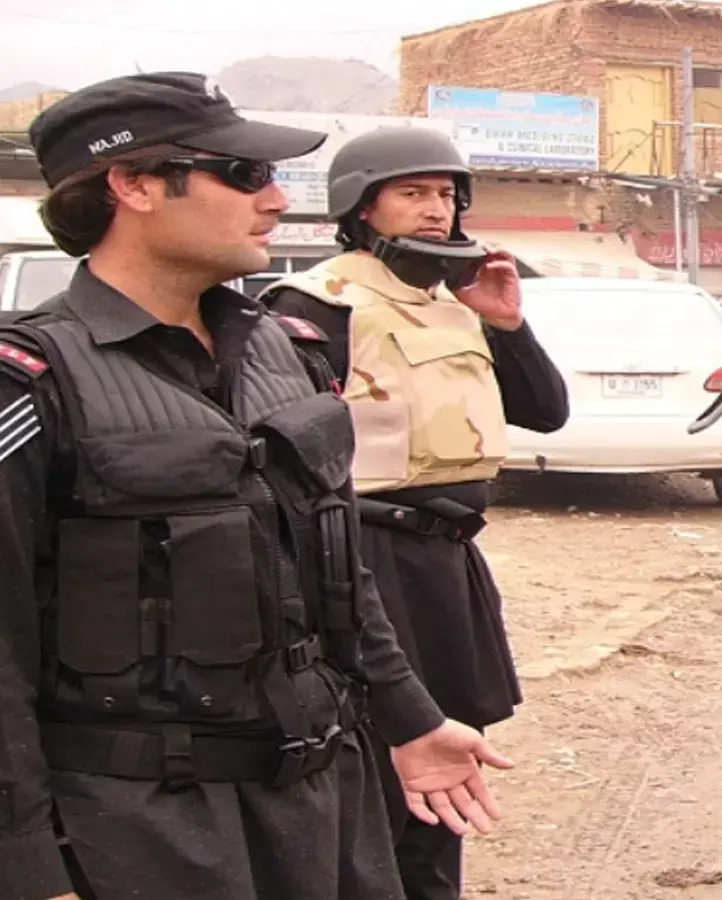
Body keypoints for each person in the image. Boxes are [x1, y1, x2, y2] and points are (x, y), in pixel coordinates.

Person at [0, 72, 513, 900]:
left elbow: (341, 575)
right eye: (243, 174)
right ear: (132, 185)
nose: (274, 198)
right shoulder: (28, 380)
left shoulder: (290, 352)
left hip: (322, 809)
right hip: (143, 832)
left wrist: (410, 720)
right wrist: (26, 868)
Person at [257, 127, 569, 900]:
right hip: (369, 557)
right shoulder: (317, 305)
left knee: (451, 771)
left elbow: (545, 411)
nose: (437, 210)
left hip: (448, 563)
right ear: (361, 207)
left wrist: (507, 325)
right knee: (379, 778)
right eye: (413, 193)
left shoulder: (454, 302)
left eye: (447, 196)